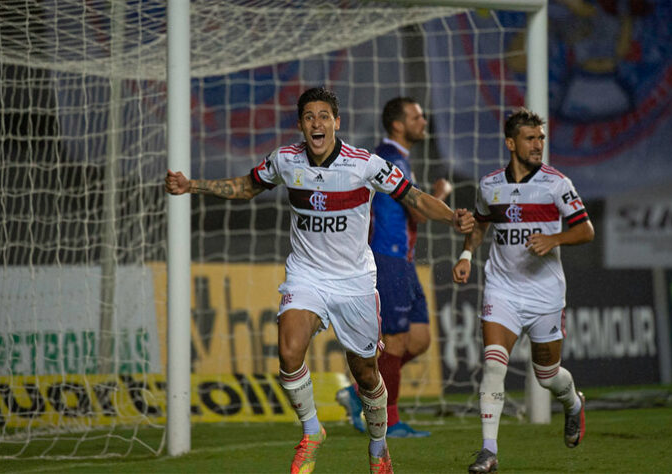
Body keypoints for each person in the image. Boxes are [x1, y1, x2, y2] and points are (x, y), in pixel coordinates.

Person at [165, 87, 474, 474]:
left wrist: (451, 218)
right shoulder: (285, 160)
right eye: (309, 116)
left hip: (355, 282)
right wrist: (192, 185)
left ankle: (378, 447)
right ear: (300, 124)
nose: (317, 123)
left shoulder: (365, 165)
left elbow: (414, 197)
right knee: (289, 351)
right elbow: (246, 186)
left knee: (366, 373)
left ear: (336, 123)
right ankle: (312, 432)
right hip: (306, 275)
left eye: (324, 116)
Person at [451, 107, 594, 473]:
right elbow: (481, 224)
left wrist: (554, 239)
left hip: (545, 293)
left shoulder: (556, 183)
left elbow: (585, 230)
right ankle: (488, 451)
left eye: (541, 138)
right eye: (531, 138)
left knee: (548, 376)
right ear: (511, 143)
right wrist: (467, 253)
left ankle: (573, 402)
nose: (538, 145)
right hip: (502, 289)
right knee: (493, 366)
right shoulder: (490, 185)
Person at [337, 97, 450, 438]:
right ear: (398, 124)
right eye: (416, 116)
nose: (423, 120)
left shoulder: (398, 158)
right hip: (387, 257)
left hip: (405, 261)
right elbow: (417, 212)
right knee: (396, 342)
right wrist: (439, 196)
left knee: (419, 339)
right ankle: (389, 421)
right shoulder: (389, 158)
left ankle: (358, 393)